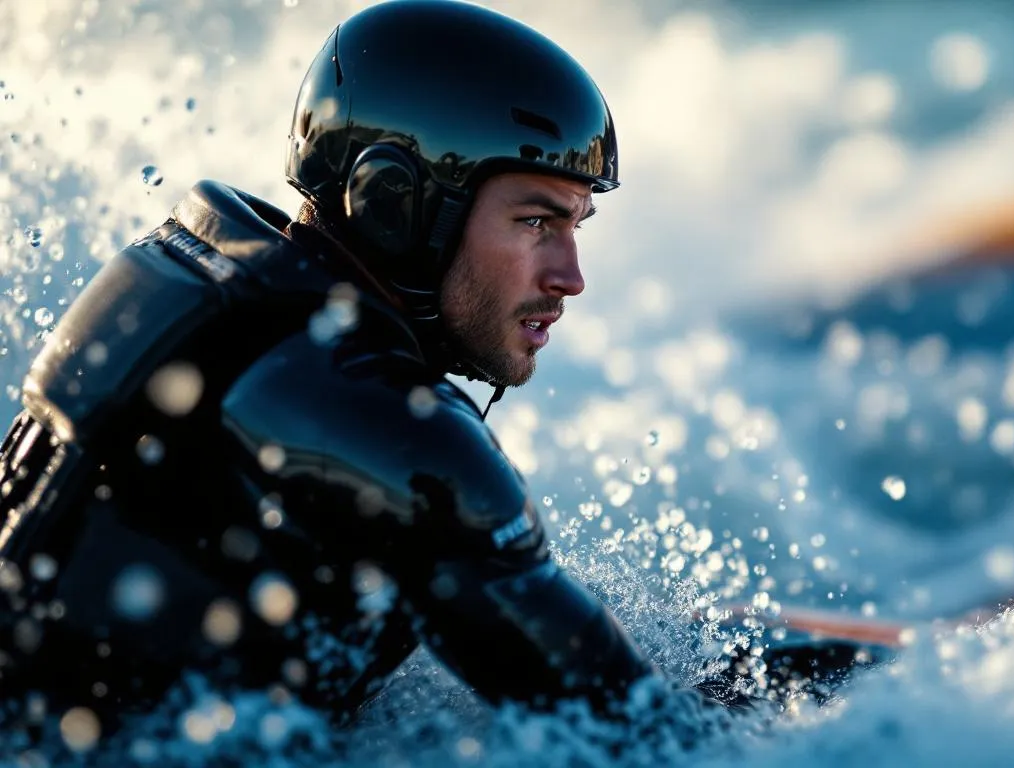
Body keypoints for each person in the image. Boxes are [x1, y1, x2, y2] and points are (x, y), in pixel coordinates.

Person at [0, 0, 677, 751]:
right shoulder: (378, 415)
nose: (571, 277)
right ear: (398, 207)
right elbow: (648, 743)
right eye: (536, 223)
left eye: (576, 226)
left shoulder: (214, 280)